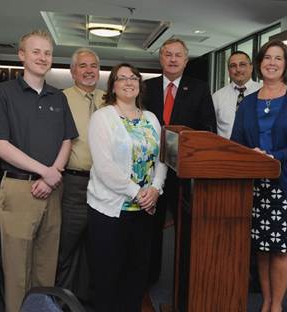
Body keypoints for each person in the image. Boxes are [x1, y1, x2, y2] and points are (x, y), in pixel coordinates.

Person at [0, 29, 78, 312]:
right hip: (19, 190)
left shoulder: (58, 96)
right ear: (22, 56)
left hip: (52, 192)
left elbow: (68, 139)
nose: (43, 57)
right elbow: (0, 146)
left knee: (45, 268)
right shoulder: (1, 94)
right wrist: (47, 172)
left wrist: (53, 175)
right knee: (17, 273)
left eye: (48, 53)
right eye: (36, 51)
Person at [231, 40, 287, 312]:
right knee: (262, 248)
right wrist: (249, 154)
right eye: (267, 57)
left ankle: (277, 305)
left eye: (278, 58)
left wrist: (273, 156)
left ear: (285, 65)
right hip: (255, 186)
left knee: (281, 248)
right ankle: (265, 301)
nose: (272, 63)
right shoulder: (248, 103)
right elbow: (236, 142)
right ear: (260, 63)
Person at [87, 63, 167, 312]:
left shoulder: (151, 118)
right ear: (113, 86)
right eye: (121, 79)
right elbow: (104, 166)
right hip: (110, 210)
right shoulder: (103, 117)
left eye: (133, 78)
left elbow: (162, 158)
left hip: (143, 210)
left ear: (139, 84)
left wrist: (155, 189)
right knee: (107, 276)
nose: (128, 82)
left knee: (136, 275)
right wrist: (139, 193)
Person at [143, 37, 217, 286]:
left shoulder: (199, 88)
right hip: (150, 170)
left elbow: (208, 128)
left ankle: (184, 279)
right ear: (161, 58)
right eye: (168, 54)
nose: (173, 59)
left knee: (186, 227)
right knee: (150, 226)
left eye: (178, 55)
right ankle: (149, 278)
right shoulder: (146, 88)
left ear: (186, 61)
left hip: (184, 172)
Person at [56, 48, 105, 301]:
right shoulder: (60, 99)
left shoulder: (110, 99)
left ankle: (88, 299)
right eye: (83, 66)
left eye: (93, 66)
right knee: (66, 245)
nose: (89, 71)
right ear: (73, 71)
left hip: (106, 186)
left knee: (97, 247)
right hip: (73, 183)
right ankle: (61, 300)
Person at [212, 50, 261, 138]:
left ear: (251, 68)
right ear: (228, 70)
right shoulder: (217, 97)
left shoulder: (263, 92)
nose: (238, 69)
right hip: (225, 150)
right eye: (233, 66)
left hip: (255, 150)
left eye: (242, 65)